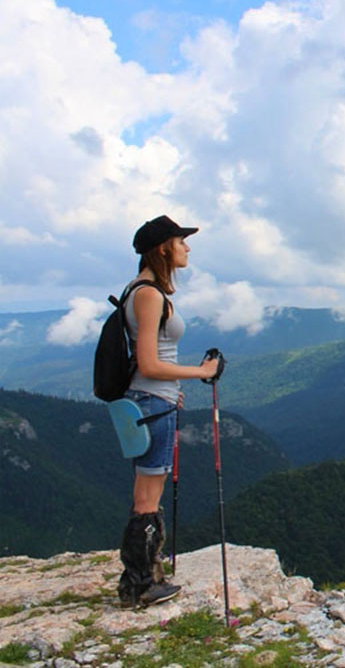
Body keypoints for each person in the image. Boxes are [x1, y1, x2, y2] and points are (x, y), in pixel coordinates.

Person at [117, 215, 220, 608]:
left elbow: (153, 359)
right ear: (163, 247)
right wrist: (201, 373)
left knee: (147, 491)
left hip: (153, 401)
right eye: (182, 241)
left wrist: (172, 389)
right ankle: (142, 585)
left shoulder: (143, 290)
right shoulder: (149, 294)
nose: (188, 247)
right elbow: (148, 363)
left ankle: (141, 578)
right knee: (147, 496)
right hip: (150, 402)